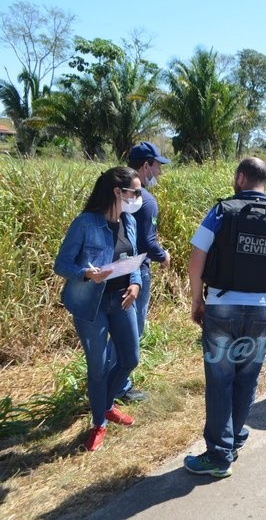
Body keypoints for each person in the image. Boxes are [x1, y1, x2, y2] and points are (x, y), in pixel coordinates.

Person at [185, 157, 266, 478]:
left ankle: (219, 456)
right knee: (247, 377)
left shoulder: (222, 211)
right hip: (262, 309)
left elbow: (196, 261)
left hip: (221, 307)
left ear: (240, 178)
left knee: (221, 379)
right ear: (265, 181)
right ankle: (233, 439)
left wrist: (198, 300)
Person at [54, 166, 143, 452]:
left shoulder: (129, 221)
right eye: (135, 191)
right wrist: (86, 273)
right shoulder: (85, 223)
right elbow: (62, 265)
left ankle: (105, 404)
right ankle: (98, 423)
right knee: (97, 366)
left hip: (121, 299)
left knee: (130, 358)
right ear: (118, 192)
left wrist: (136, 284)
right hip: (91, 303)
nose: (138, 196)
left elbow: (134, 259)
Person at [112, 141, 171, 403]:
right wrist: (164, 255)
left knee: (117, 329)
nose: (159, 171)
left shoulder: (112, 193)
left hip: (112, 271)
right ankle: (119, 387)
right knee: (132, 330)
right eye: (157, 166)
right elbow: (148, 243)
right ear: (145, 165)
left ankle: (110, 380)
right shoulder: (145, 200)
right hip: (136, 272)